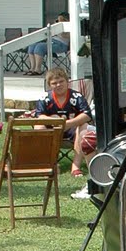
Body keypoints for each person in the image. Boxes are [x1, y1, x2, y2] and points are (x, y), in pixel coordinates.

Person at [33, 67, 95, 199]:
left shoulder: (76, 96)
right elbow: (38, 116)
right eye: (54, 83)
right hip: (52, 130)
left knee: (83, 126)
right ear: (49, 85)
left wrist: (68, 124)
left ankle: (75, 165)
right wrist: (55, 122)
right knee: (38, 127)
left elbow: (87, 115)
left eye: (61, 81)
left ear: (67, 82)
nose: (58, 85)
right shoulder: (46, 98)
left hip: (72, 130)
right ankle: (50, 163)